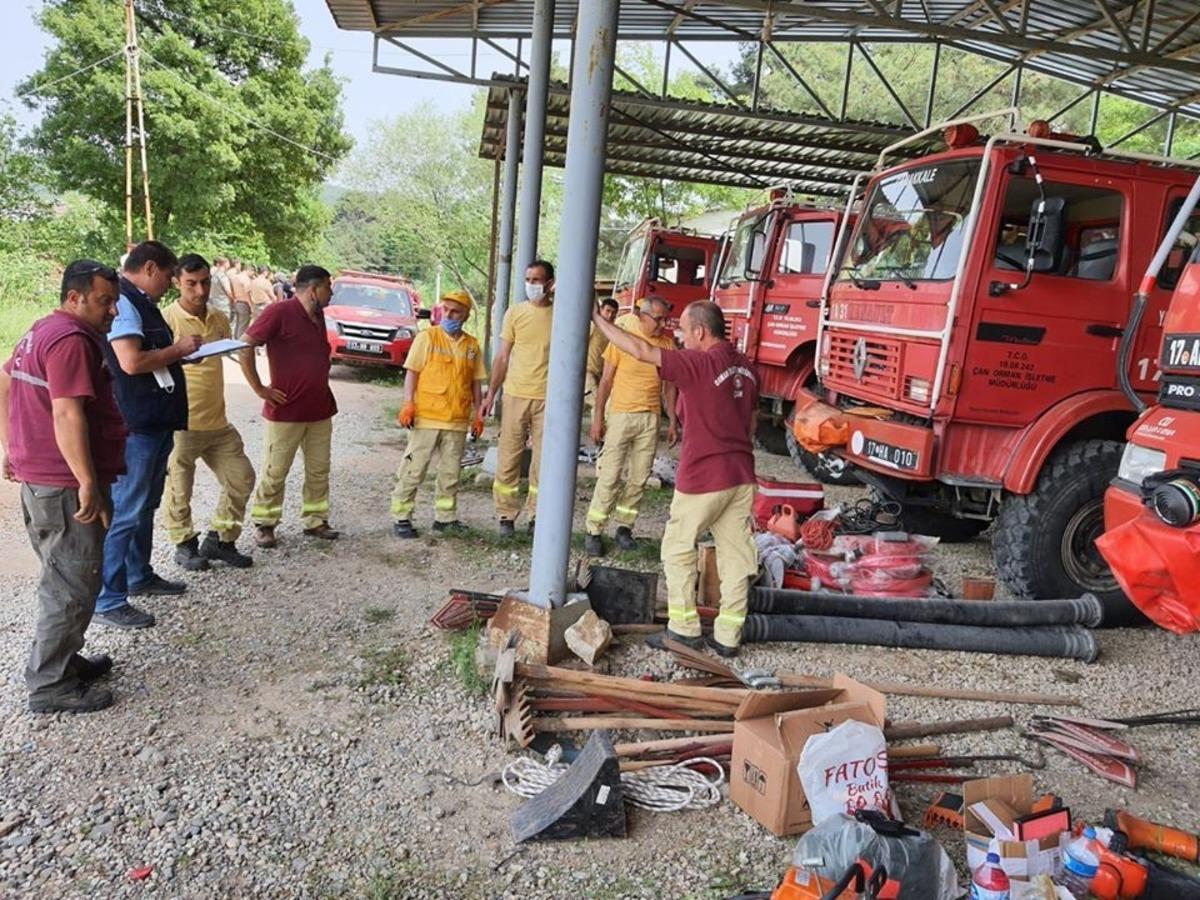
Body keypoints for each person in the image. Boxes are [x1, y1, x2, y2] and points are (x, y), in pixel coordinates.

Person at [591, 299, 759, 658]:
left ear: (700, 331)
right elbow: (751, 422)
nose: (679, 335)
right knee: (735, 556)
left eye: (683, 329)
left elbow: (639, 349)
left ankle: (684, 630)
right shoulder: (746, 367)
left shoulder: (698, 363)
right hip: (741, 474)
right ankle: (729, 636)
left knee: (678, 548)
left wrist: (596, 319)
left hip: (704, 475)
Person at [0, 261, 125, 712]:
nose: (112, 311)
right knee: (71, 582)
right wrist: (86, 480)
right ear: (75, 298)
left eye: (115, 301)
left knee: (65, 574)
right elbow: (67, 413)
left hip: (42, 479)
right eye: (104, 301)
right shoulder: (72, 339)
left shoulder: (42, 329)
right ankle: (50, 685)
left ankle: (64, 661)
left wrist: (12, 446)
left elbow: (5, 378)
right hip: (64, 483)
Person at [93, 241, 200, 630]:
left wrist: (178, 353)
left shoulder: (141, 302)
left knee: (145, 506)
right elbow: (131, 360)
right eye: (170, 276)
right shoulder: (124, 302)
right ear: (150, 268)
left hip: (154, 420)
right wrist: (179, 349)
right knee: (125, 511)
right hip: (136, 423)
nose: (171, 284)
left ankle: (139, 576)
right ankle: (109, 597)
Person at [161, 254, 255, 571]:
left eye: (204, 282)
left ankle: (220, 540)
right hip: (182, 423)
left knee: (241, 477)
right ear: (176, 283)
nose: (199, 291)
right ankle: (184, 545)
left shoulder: (218, 318)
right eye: (191, 284)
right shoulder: (166, 319)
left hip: (218, 423)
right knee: (179, 489)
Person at [240, 265, 339, 547]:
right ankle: (265, 524)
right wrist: (259, 388)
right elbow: (245, 345)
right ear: (313, 289)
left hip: (320, 410)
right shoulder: (279, 313)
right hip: (287, 411)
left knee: (319, 469)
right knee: (276, 470)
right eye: (328, 287)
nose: (331, 293)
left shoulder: (318, 315)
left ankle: (316, 520)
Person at [585, 296, 678, 556]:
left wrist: (672, 419)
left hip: (650, 418)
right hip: (621, 414)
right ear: (642, 316)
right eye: (658, 319)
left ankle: (625, 527)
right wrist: (597, 418)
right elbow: (605, 381)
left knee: (639, 477)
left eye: (665, 319)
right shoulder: (623, 338)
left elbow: (670, 386)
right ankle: (594, 529)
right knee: (610, 475)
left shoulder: (667, 344)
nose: (662, 324)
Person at [390, 290, 486, 538]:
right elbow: (412, 372)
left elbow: (475, 381)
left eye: (455, 311)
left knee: (450, 473)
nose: (449, 315)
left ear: (466, 315)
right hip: (427, 417)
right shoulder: (427, 338)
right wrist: (408, 403)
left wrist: (479, 413)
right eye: (446, 310)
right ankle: (401, 516)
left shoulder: (472, 345)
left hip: (456, 420)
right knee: (414, 469)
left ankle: (445, 518)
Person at [480, 260, 555, 537]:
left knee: (543, 462)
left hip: (548, 399)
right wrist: (491, 394)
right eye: (528, 279)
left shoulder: (560, 314)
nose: (531, 285)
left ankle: (537, 514)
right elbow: (502, 357)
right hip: (515, 395)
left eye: (537, 280)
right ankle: (505, 515)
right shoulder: (515, 313)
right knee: (508, 457)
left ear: (549, 283)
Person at [584, 298, 618, 411]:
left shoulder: (613, 331)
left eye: (613, 313)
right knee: (598, 405)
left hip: (601, 375)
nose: (610, 315)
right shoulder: (593, 326)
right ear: (601, 310)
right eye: (607, 311)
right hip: (587, 373)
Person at [228, 259, 252, 339]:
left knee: (238, 323)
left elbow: (231, 289)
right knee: (243, 325)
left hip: (237, 302)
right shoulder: (245, 278)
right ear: (248, 270)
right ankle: (240, 344)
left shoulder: (235, 277)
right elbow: (247, 293)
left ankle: (236, 340)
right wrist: (251, 305)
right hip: (244, 303)